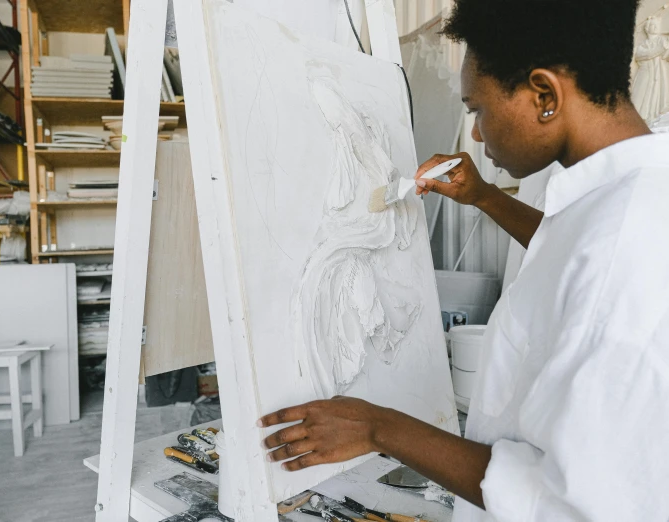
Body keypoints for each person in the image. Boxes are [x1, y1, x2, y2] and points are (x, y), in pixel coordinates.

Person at [259, 0, 669, 519]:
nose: (475, 134)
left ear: (544, 95)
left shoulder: (626, 254)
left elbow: (569, 504)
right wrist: (486, 197)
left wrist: (378, 427)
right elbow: (573, 251)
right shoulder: (635, 194)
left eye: (477, 109)